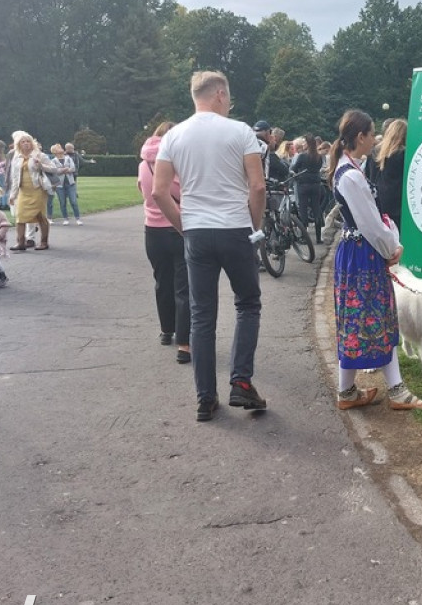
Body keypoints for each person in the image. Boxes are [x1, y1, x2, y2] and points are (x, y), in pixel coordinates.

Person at [152, 71, 267, 422]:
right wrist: (256, 227)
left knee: (203, 315)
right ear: (219, 94)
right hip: (234, 227)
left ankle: (205, 397)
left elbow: (159, 191)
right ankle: (240, 381)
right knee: (247, 304)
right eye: (228, 97)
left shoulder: (173, 135)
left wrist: (184, 226)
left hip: (198, 230)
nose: (229, 103)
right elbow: (258, 187)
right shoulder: (240, 131)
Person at [329, 109, 422, 412]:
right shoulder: (350, 175)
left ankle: (350, 391)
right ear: (360, 137)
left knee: (364, 320)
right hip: (363, 254)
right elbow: (370, 224)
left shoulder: (350, 168)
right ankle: (381, 392)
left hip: (357, 253)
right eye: (372, 133)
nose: (375, 138)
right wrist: (391, 248)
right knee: (372, 319)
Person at [139, 120, 190, 365]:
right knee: (184, 286)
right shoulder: (177, 163)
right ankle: (184, 342)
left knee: (162, 281)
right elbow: (182, 193)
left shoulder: (143, 165)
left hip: (152, 230)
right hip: (178, 227)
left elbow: (144, 190)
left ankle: (166, 329)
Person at [6, 130, 59, 252]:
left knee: (40, 216)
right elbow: (15, 178)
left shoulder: (39, 155)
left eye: (28, 141)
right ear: (18, 144)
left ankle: (44, 242)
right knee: (20, 216)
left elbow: (54, 169)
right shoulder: (17, 158)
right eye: (23, 142)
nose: (25, 144)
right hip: (23, 191)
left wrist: (41, 166)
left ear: (32, 143)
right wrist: (12, 195)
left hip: (38, 190)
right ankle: (20, 242)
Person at [364, 117, 406, 230]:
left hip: (376, 202)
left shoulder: (374, 152)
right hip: (396, 206)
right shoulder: (403, 155)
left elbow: (367, 175)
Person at [290, 133, 325, 243]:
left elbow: (294, 169)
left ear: (308, 144)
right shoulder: (319, 157)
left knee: (303, 209)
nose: (303, 144)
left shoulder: (302, 156)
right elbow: (319, 167)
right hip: (316, 185)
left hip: (303, 185)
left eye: (304, 142)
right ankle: (319, 238)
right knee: (316, 209)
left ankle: (304, 236)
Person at [51, 144, 82, 225]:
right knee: (62, 202)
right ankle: (65, 218)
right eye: (58, 148)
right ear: (54, 151)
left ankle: (78, 218)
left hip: (70, 183)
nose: (61, 149)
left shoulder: (68, 159)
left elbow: (73, 168)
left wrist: (65, 170)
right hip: (60, 185)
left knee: (73, 201)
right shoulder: (53, 161)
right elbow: (55, 171)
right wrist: (64, 170)